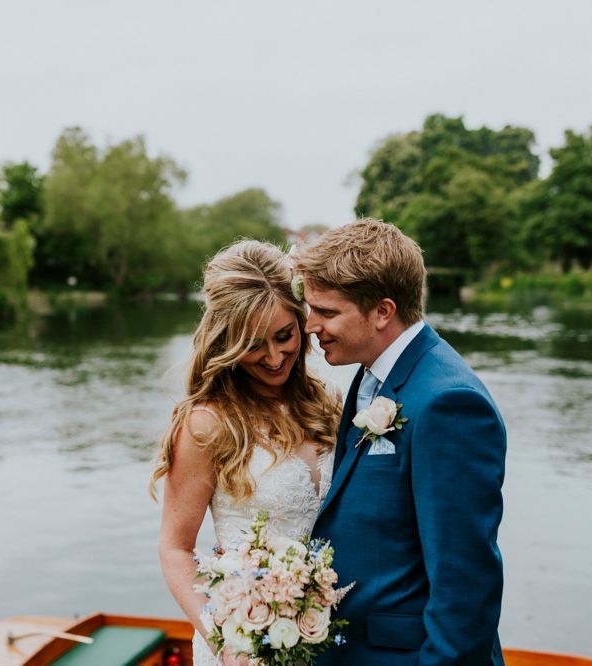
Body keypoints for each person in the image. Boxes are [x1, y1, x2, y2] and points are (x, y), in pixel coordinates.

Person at [295, 219, 506, 665]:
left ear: (383, 311)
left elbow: (465, 586)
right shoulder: (371, 375)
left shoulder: (450, 404)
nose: (310, 325)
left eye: (327, 312)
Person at [150, 240, 340, 666]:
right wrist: (226, 638)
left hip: (326, 637)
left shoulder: (327, 403)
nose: (274, 357)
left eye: (283, 336)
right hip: (243, 644)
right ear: (227, 343)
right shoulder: (209, 423)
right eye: (253, 344)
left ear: (301, 322)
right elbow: (175, 548)